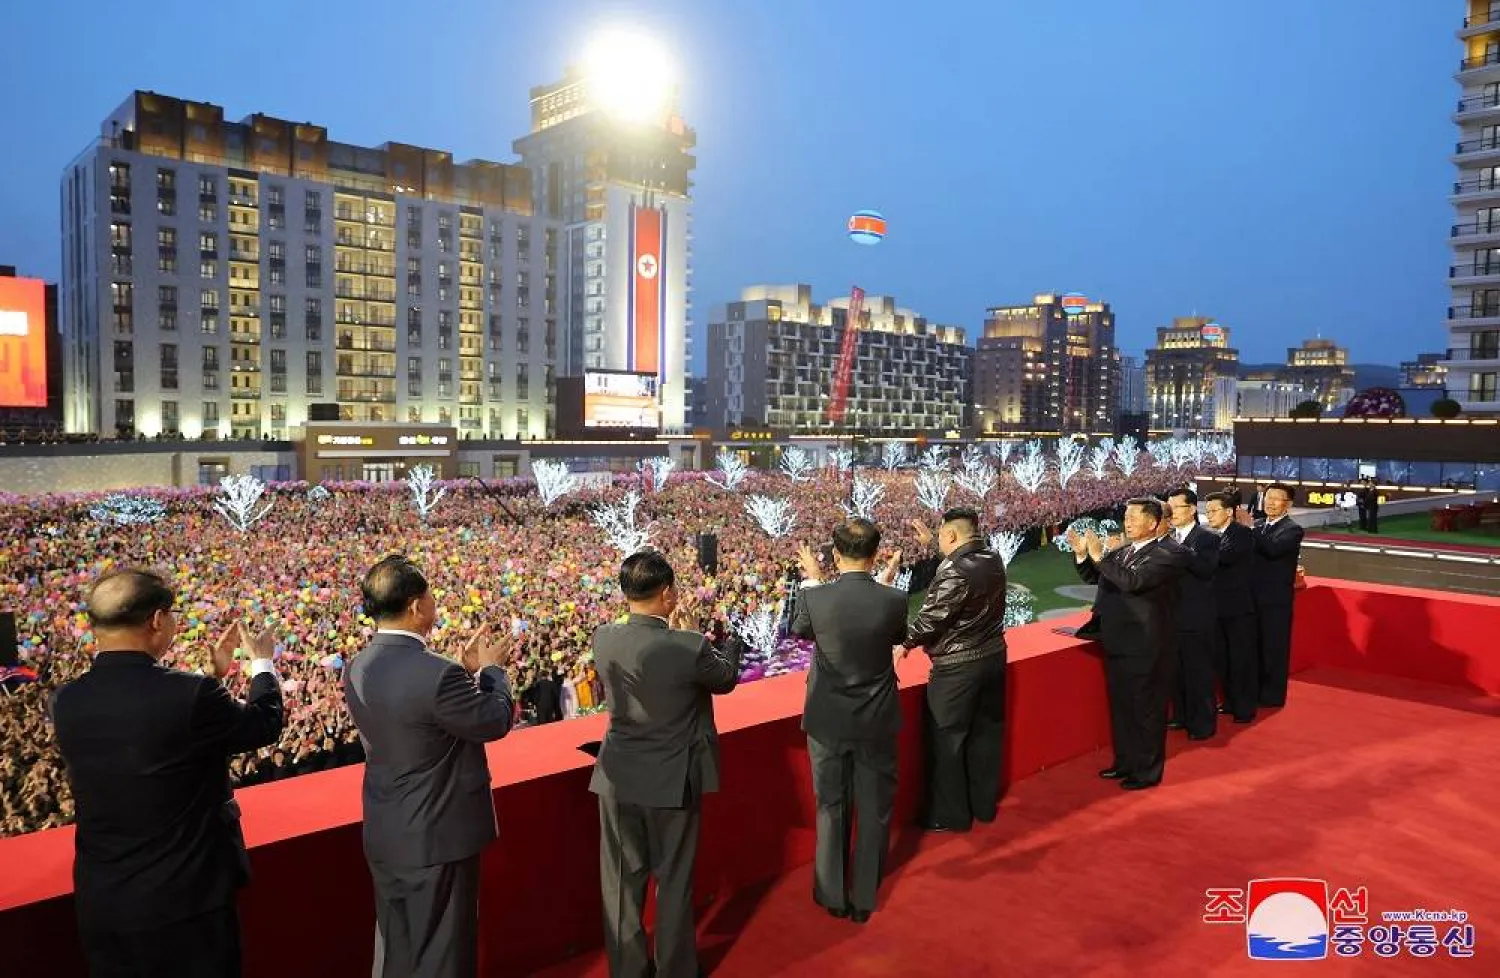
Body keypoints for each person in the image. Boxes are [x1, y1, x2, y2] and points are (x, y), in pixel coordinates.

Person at [51, 568, 285, 978]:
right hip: (186, 898)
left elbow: (152, 744)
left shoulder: (65, 700)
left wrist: (212, 679)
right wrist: (261, 660)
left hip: (104, 899)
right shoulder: (190, 695)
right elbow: (263, 724)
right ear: (158, 620)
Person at [342, 555, 518, 978]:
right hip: (437, 835)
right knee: (442, 957)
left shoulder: (356, 665)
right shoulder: (437, 673)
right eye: (431, 596)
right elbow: (493, 721)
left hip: (388, 829)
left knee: (399, 952)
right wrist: (493, 671)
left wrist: (463, 676)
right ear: (417, 606)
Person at [589, 550, 741, 978]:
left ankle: (629, 970)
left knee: (621, 882)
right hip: (673, 780)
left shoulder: (603, 637)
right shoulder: (687, 645)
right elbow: (725, 677)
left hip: (617, 775)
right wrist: (707, 637)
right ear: (669, 593)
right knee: (673, 881)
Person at [791, 519, 909, 924]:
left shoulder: (817, 597)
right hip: (876, 717)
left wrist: (811, 580)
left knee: (830, 805)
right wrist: (885, 584)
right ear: (876, 555)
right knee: (875, 807)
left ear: (835, 554)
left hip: (826, 718)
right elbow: (895, 634)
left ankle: (831, 893)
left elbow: (801, 628)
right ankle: (863, 896)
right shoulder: (894, 599)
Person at [900, 508, 1009, 832]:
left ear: (951, 535)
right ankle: (983, 806)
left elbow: (932, 618)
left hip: (957, 669)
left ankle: (950, 815)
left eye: (940, 536)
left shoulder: (954, 572)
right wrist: (937, 551)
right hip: (993, 658)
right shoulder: (992, 558)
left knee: (947, 741)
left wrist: (903, 642)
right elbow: (964, 574)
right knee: (985, 736)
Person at [1069, 498, 1188, 791]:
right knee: (1122, 707)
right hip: (1117, 640)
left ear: (1152, 522)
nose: (1128, 522)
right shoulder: (1124, 550)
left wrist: (1101, 557)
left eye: (1134, 516)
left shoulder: (1169, 553)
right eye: (1126, 516)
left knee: (1146, 708)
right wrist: (1084, 556)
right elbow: (1099, 578)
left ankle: (1146, 771)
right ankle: (1124, 762)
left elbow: (1133, 582)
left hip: (1147, 645)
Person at [1164, 489, 1219, 741]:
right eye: (1169, 507)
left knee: (1199, 672)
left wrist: (1178, 549)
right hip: (1171, 616)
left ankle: (1203, 724)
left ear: (1192, 509)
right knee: (1176, 671)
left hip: (1196, 616)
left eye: (1177, 507)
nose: (1171, 512)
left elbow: (1205, 570)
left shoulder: (1206, 538)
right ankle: (1182, 715)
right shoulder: (1168, 539)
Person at [1246, 484, 1304, 709]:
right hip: (1252, 597)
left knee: (1274, 647)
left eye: (1276, 499)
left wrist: (1250, 528)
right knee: (1254, 646)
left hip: (1275, 601)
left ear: (1288, 504)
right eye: (1268, 497)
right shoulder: (1258, 525)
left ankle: (1272, 696)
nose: (1269, 502)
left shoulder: (1292, 529)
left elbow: (1273, 549)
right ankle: (1253, 690)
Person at [1203, 491, 1258, 723]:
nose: (1209, 515)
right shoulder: (1215, 535)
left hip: (1238, 608)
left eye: (1213, 511)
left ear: (1228, 512)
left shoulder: (1241, 534)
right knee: (1222, 659)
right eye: (1206, 511)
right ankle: (1230, 701)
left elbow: (1224, 557)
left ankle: (1245, 708)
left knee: (1240, 659)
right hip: (1217, 608)